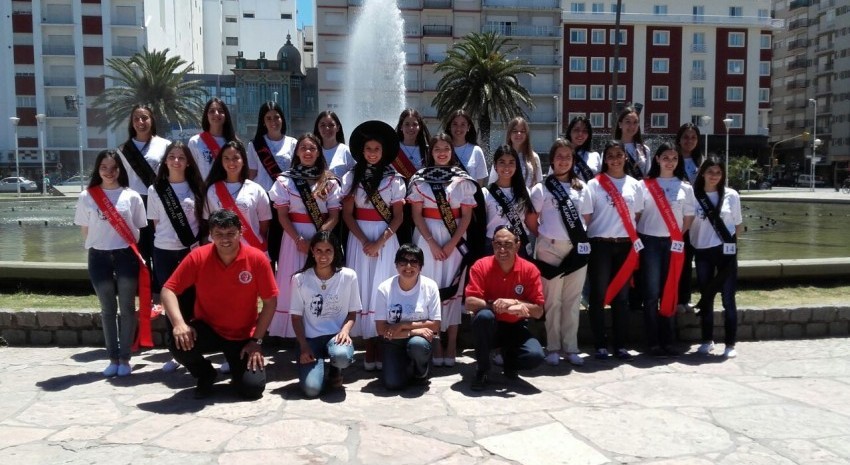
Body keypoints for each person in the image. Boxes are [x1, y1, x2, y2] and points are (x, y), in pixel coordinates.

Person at [161, 209, 277, 399]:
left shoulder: (257, 259)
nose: (225, 239)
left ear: (241, 232)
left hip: (241, 336)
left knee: (252, 390)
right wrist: (180, 324)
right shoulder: (198, 256)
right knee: (178, 342)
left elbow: (270, 303)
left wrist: (256, 341)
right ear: (210, 235)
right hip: (207, 329)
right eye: (219, 234)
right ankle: (206, 374)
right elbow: (168, 290)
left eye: (231, 233)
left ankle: (237, 369)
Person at [408, 133, 479, 366]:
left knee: (454, 289)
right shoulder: (420, 179)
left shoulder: (462, 180)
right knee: (431, 289)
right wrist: (432, 242)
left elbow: (467, 217)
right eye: (437, 148)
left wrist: (450, 244)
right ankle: (435, 341)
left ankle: (451, 344)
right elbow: (416, 215)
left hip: (455, 240)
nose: (441, 153)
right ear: (431, 152)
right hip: (427, 239)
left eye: (446, 148)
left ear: (452, 151)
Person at [74, 150, 147, 377]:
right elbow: (85, 231)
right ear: (97, 169)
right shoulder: (87, 196)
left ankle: (125, 358)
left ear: (120, 170)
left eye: (113, 168)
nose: (109, 172)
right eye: (104, 167)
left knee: (126, 309)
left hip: (125, 256)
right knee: (107, 310)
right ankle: (112, 357)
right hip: (98, 257)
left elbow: (138, 231)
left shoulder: (132, 196)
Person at [342, 120, 405, 371]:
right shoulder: (351, 177)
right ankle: (369, 345)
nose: (372, 153)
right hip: (360, 240)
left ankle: (384, 342)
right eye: (368, 148)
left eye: (376, 149)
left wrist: (379, 241)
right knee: (363, 289)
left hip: (386, 240)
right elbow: (347, 214)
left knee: (383, 288)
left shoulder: (394, 180)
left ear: (383, 151)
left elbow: (399, 216)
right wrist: (365, 241)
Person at [268, 133, 342, 338]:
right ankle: (292, 332)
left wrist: (317, 241)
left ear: (319, 152)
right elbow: (282, 216)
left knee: (320, 280)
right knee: (293, 282)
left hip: (322, 240)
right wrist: (299, 240)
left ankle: (319, 327)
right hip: (294, 240)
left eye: (312, 148)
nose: (308, 152)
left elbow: (334, 215)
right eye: (303, 148)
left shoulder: (329, 181)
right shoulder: (285, 181)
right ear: (297, 152)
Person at [526, 140, 590, 366]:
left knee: (572, 301)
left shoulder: (582, 187)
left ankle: (570, 347)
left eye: (568, 156)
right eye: (559, 156)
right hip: (549, 249)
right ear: (552, 159)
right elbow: (532, 220)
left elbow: (587, 219)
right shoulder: (541, 188)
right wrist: (546, 236)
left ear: (573, 160)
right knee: (552, 301)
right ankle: (552, 346)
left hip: (576, 250)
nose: (564, 160)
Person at [581, 140, 644, 361]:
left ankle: (620, 345)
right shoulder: (594, 185)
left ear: (625, 157)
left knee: (622, 297)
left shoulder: (634, 185)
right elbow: (587, 217)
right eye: (610, 155)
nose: (615, 159)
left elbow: (636, 216)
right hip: (600, 245)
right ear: (604, 159)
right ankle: (600, 344)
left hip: (625, 245)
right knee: (597, 296)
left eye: (619, 154)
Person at [146, 141, 205, 372]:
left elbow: (201, 222)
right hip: (164, 252)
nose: (177, 161)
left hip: (190, 252)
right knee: (170, 305)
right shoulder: (155, 190)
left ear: (188, 161)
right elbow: (156, 223)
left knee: (189, 302)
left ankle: (192, 350)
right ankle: (175, 351)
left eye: (181, 157)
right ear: (166, 161)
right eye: (172, 157)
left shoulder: (196, 188)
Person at [465, 225, 546, 391]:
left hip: (515, 326)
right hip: (490, 326)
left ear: (518, 245)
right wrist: (498, 306)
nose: (502, 249)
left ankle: (509, 361)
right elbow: (470, 302)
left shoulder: (529, 270)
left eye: (508, 244)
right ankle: (482, 369)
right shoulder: (480, 266)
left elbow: (538, 311)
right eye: (497, 244)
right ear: (492, 245)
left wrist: (515, 303)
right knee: (483, 317)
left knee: (535, 356)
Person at [637, 142, 695, 357]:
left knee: (669, 292)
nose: (670, 162)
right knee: (651, 294)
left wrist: (678, 237)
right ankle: (652, 341)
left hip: (674, 244)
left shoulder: (685, 187)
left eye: (674, 158)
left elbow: (689, 217)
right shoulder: (645, 185)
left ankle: (668, 340)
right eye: (666, 158)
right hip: (650, 242)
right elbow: (637, 214)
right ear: (657, 159)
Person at [289, 231, 359, 397]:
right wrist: (304, 345)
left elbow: (352, 313)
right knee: (311, 390)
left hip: (336, 338)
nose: (323, 256)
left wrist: (345, 331)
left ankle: (336, 371)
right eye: (319, 250)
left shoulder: (349, 276)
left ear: (335, 252)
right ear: (312, 251)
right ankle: (313, 367)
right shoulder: (299, 279)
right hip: (310, 340)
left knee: (341, 355)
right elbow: (296, 317)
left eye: (328, 251)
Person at [690, 158, 743, 358]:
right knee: (706, 296)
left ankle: (730, 344)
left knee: (728, 299)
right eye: (710, 171)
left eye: (718, 172)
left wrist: (732, 248)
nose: (714, 175)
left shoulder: (731, 195)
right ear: (702, 173)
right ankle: (707, 340)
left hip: (725, 252)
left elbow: (738, 226)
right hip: (702, 251)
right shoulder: (693, 196)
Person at [116, 104, 170, 296]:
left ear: (152, 120)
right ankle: (144, 290)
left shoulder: (164, 145)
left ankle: (161, 291)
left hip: (159, 202)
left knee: (160, 246)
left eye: (145, 117)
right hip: (134, 203)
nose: (141, 122)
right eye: (136, 118)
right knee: (140, 250)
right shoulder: (123, 150)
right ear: (131, 123)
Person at [374, 244, 441, 390]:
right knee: (393, 384)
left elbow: (435, 325)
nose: (408, 266)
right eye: (403, 262)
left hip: (418, 340)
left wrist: (402, 325)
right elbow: (381, 329)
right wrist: (413, 331)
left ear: (421, 266)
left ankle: (421, 371)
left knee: (417, 345)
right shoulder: (384, 288)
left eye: (414, 262)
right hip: (394, 341)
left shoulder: (430, 286)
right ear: (396, 265)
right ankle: (404, 366)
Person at [247, 101, 297, 269]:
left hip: (285, 201)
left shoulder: (293, 143)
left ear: (282, 119)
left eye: (276, 117)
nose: (273, 121)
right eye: (268, 118)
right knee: (265, 239)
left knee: (283, 240)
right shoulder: (254, 145)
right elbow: (251, 176)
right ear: (263, 121)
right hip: (263, 200)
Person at [203, 140, 272, 254]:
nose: (231, 162)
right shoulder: (211, 190)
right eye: (227, 158)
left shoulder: (256, 190)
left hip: (251, 249)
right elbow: (209, 222)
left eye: (236, 158)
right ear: (221, 161)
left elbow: (264, 225)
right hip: (221, 251)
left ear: (243, 161)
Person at [483, 145, 534, 257]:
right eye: (502, 162)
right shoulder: (485, 193)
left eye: (511, 162)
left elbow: (529, 221)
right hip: (493, 246)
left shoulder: (524, 191)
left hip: (518, 245)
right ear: (495, 166)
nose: (507, 167)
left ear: (516, 166)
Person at [675, 122, 703, 314]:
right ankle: (674, 299)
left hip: (697, 220)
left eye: (693, 137)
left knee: (688, 260)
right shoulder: (672, 159)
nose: (689, 141)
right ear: (679, 139)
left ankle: (685, 298)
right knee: (676, 260)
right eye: (686, 137)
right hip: (676, 218)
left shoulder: (701, 162)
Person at [189, 98, 237, 180]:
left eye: (221, 111)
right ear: (206, 115)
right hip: (205, 191)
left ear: (226, 115)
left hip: (229, 192)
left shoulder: (234, 143)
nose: (216, 114)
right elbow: (191, 172)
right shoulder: (195, 142)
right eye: (212, 111)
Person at [488, 117, 542, 188]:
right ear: (509, 134)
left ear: (526, 135)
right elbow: (492, 182)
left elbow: (539, 184)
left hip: (528, 198)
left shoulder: (534, 157)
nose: (519, 134)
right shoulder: (500, 156)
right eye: (515, 131)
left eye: (522, 131)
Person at [445, 110, 488, 185]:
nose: (458, 128)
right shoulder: (443, 150)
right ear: (449, 127)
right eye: (455, 124)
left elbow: (479, 183)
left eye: (463, 124)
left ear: (468, 127)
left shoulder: (476, 151)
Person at [313, 111, 355, 178]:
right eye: (323, 125)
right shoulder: (313, 152)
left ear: (338, 128)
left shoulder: (347, 151)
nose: (327, 128)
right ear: (318, 128)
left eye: (331, 125)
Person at [614, 106, 650, 180]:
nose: (632, 126)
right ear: (620, 124)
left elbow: (648, 175)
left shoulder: (644, 149)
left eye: (635, 122)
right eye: (628, 122)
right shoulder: (612, 149)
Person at [394, 108, 431, 180]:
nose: (411, 128)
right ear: (401, 126)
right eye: (407, 124)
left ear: (419, 127)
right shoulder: (393, 149)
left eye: (415, 124)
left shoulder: (427, 151)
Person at [565, 116, 602, 183]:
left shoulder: (595, 156)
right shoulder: (561, 154)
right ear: (570, 132)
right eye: (576, 130)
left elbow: (599, 182)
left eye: (585, 131)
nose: (580, 134)